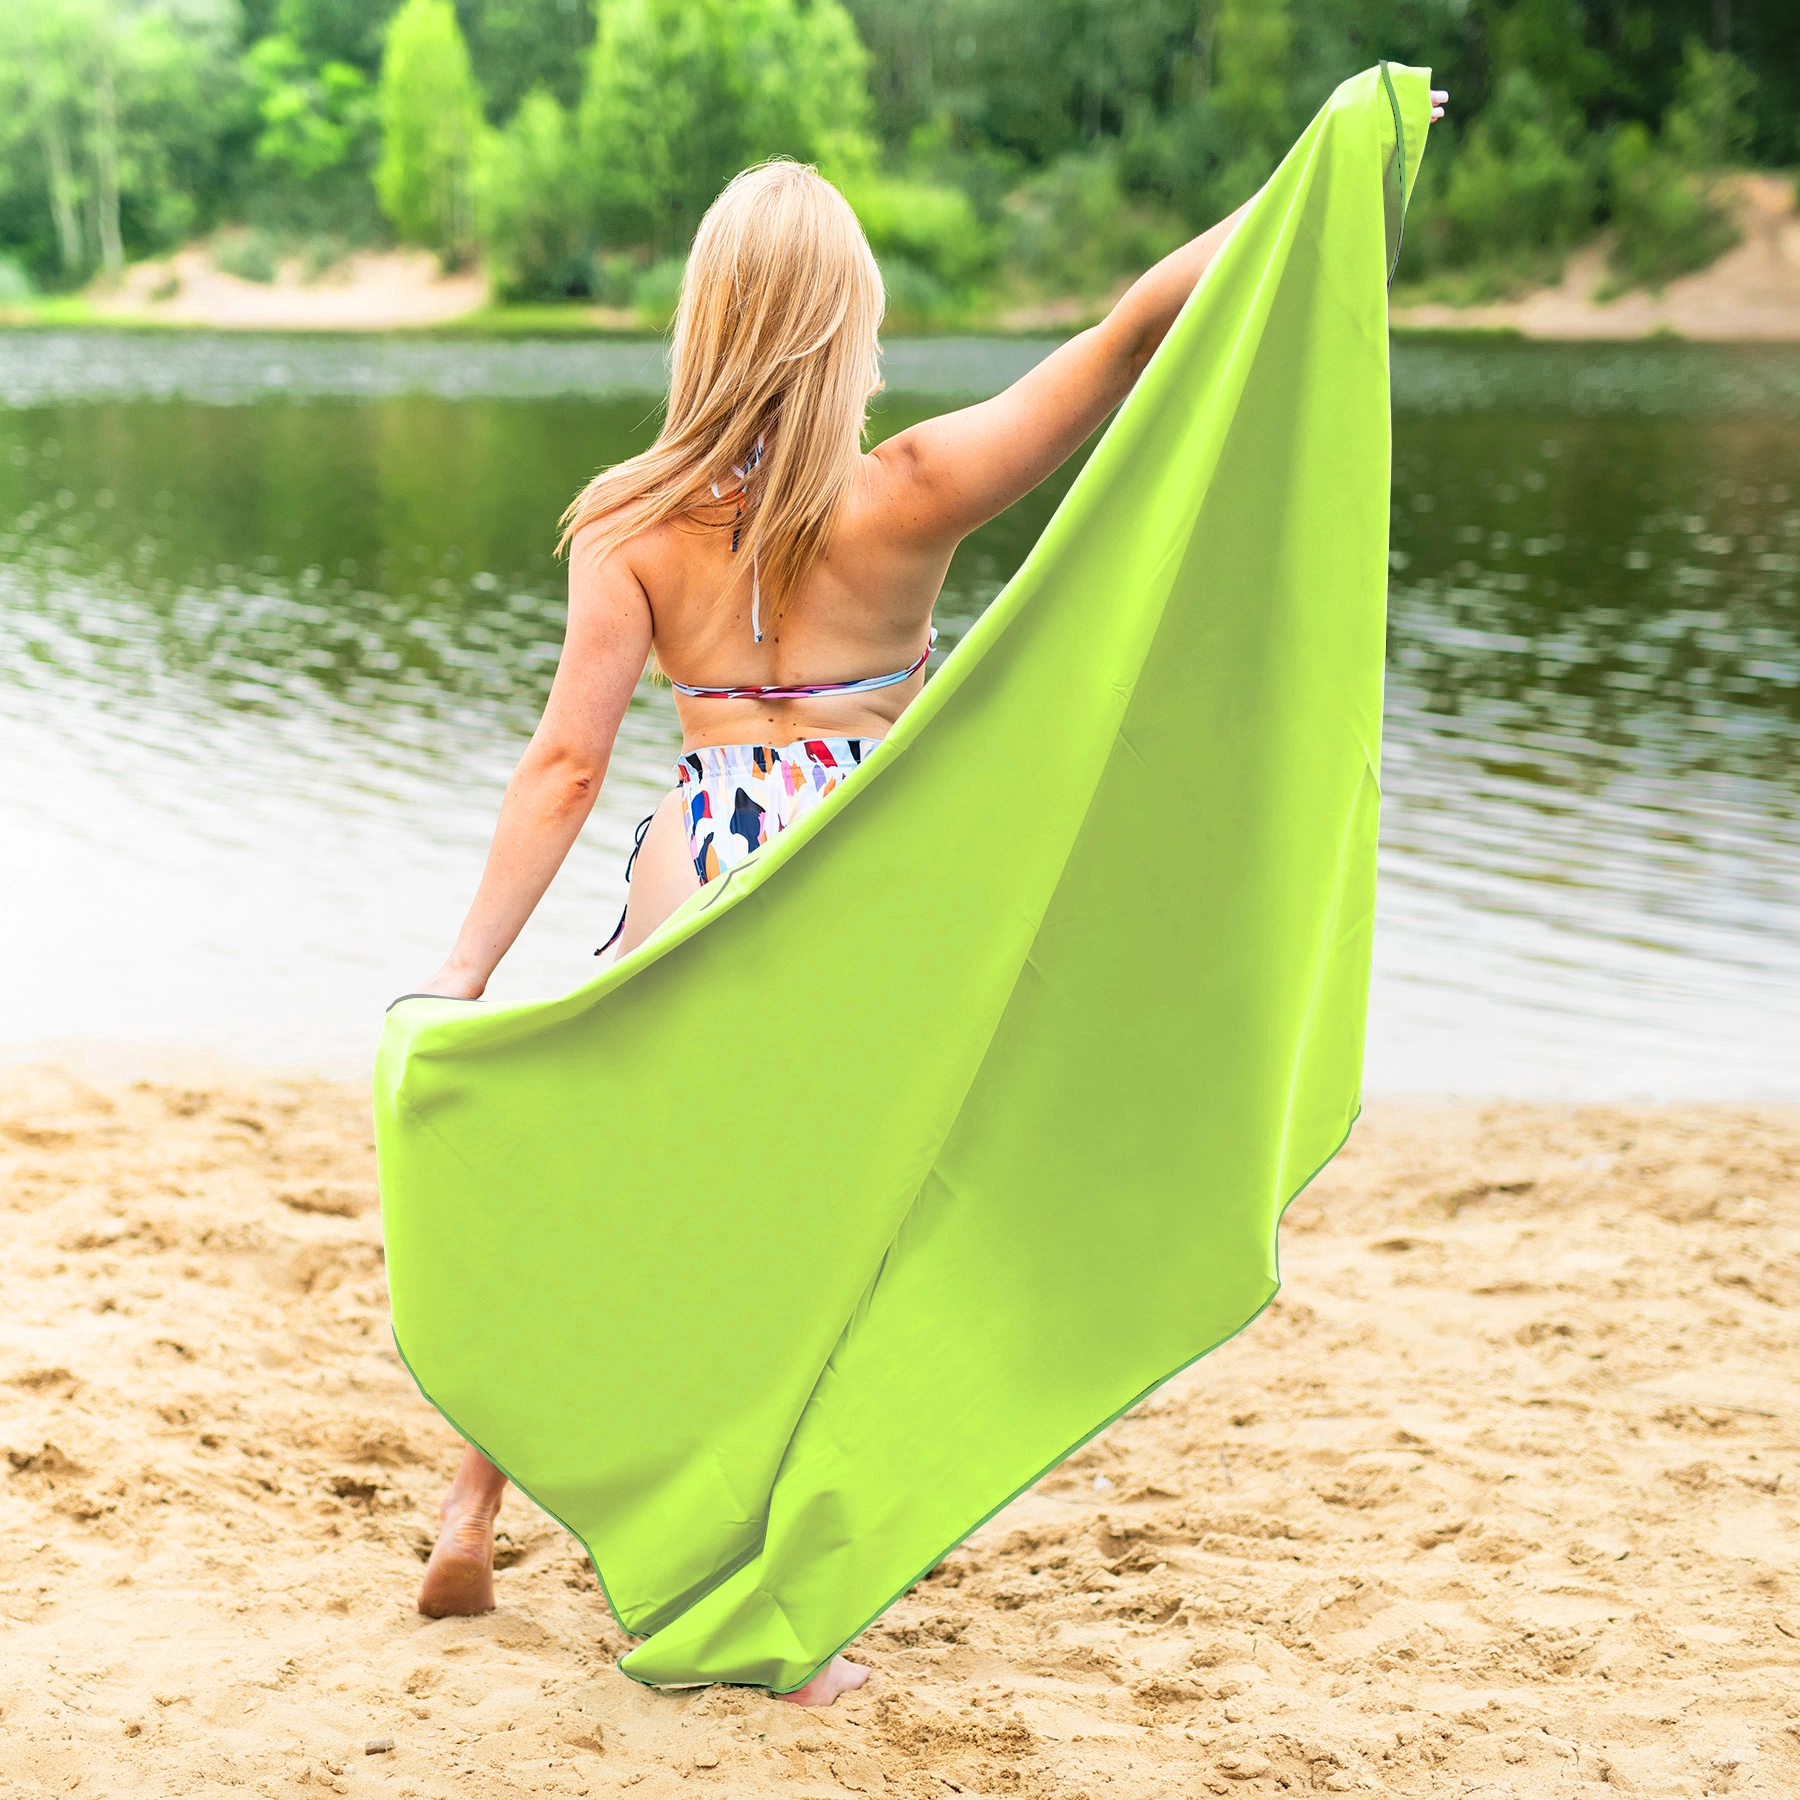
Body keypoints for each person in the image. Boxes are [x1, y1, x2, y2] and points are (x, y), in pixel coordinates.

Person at [410, 94, 1446, 1709]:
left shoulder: (627, 520)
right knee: (822, 1246)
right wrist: (1324, 169)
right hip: (853, 884)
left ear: (706, 321)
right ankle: (769, 1594)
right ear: (850, 326)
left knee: (614, 1181)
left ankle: (474, 1503)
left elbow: (564, 763)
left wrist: (464, 973)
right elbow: (1130, 334)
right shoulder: (911, 485)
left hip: (697, 865)